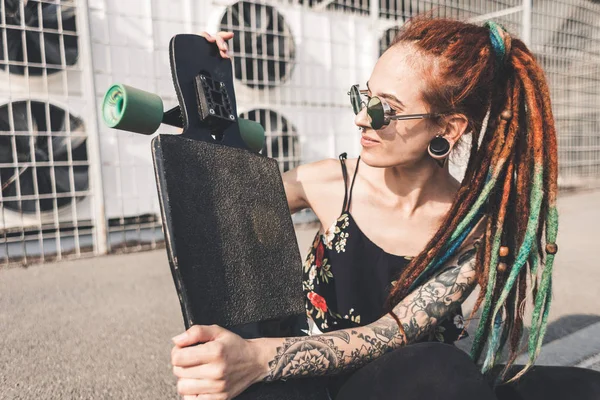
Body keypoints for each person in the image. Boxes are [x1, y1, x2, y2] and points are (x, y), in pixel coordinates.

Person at [168, 18, 594, 400]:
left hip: (407, 383)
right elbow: (221, 214)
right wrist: (213, 98)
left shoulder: (472, 227)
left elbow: (388, 334)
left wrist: (257, 359)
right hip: (307, 375)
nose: (362, 120)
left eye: (385, 110)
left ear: (447, 128)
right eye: (363, 97)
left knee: (458, 374)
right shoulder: (329, 182)